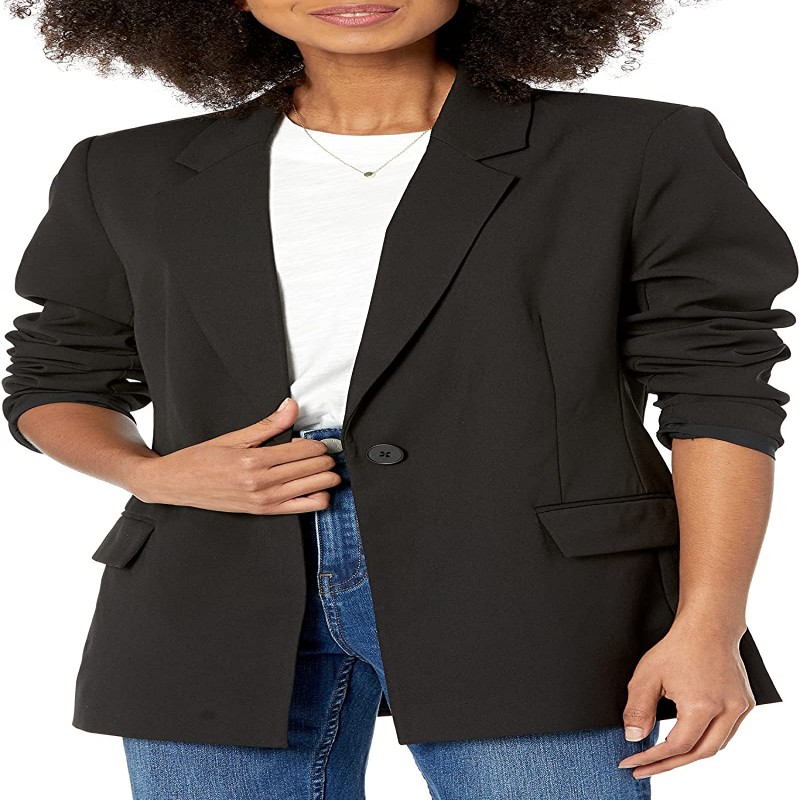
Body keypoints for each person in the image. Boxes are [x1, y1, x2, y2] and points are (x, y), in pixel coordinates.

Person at [3, 1, 796, 798]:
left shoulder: (634, 148)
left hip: (527, 589)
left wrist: (710, 622)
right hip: (209, 585)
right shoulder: (124, 170)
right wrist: (150, 473)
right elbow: (55, 377)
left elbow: (717, 390)